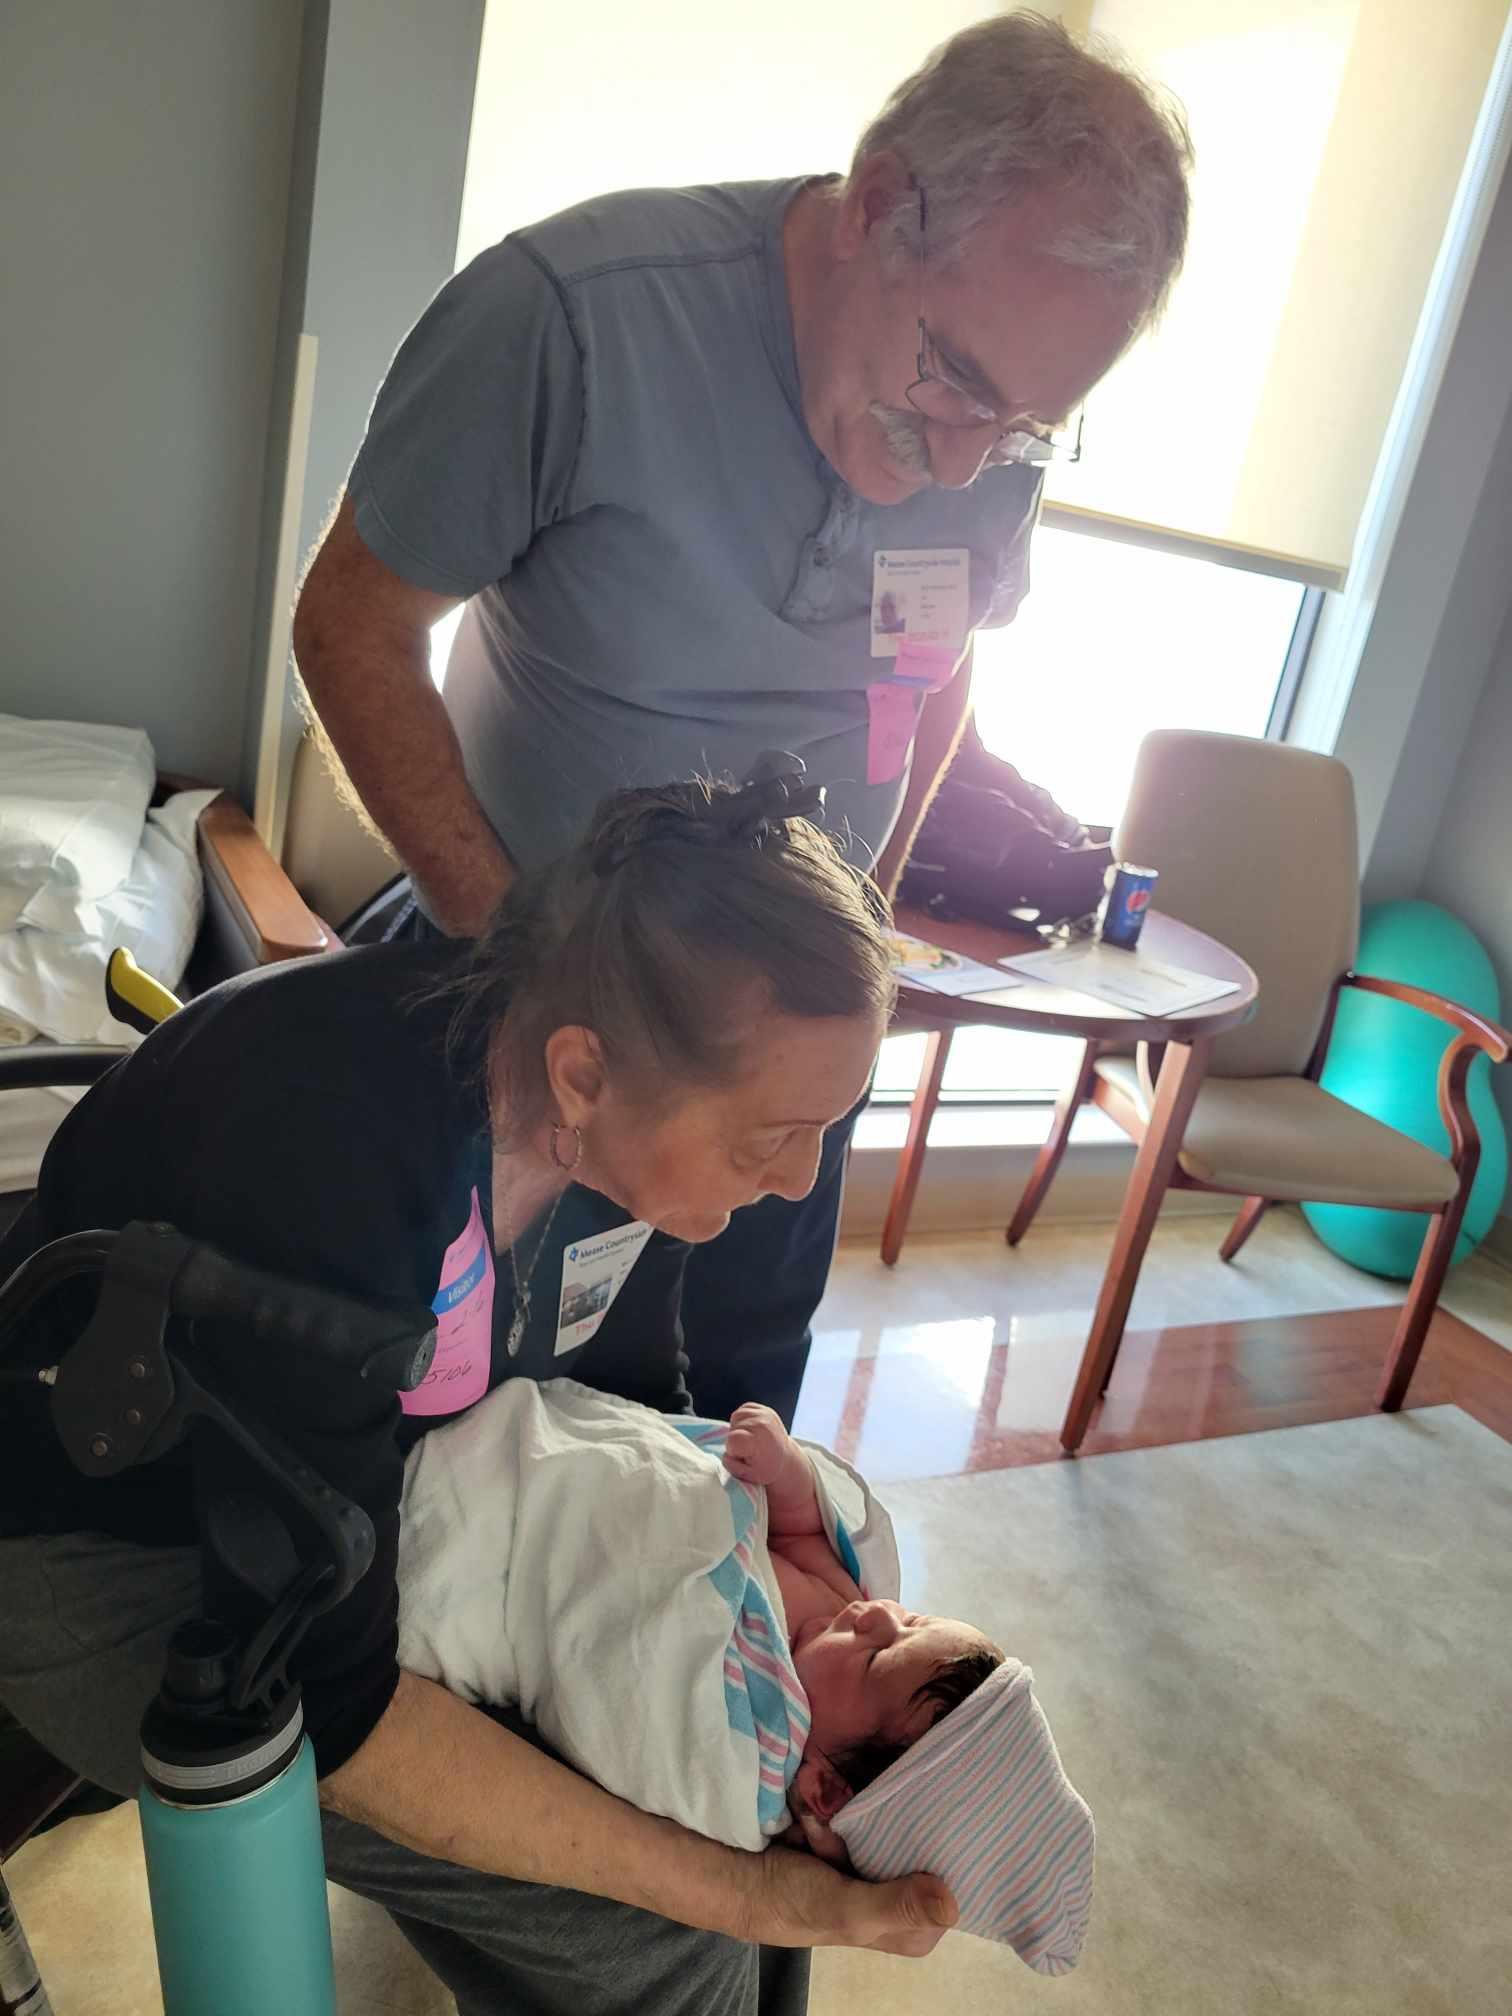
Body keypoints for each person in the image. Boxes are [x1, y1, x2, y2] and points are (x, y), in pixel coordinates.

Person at [291, 11, 1194, 1429]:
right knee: (423, 1429)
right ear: (879, 204)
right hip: (522, 1002)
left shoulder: (984, 432)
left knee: (722, 1440)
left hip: (786, 1057)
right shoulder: (573, 317)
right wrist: (519, 968)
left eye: (1022, 426)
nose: (965, 459)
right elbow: (353, 623)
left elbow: (935, 668)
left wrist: (867, 938)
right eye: (956, 382)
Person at [0, 773, 957, 2016]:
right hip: (110, 1546)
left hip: (381, 1520)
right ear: (580, 1073)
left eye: (832, 1127)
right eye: (768, 1135)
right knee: (671, 1941)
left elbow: (624, 1416)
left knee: (747, 1785)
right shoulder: (324, 1143)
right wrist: (742, 1891)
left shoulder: (615, 1133)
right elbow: (333, 1702)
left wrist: (766, 1564)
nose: (798, 1181)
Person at [397, 1378, 1095, 1973]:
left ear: (824, 1786)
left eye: (882, 1657)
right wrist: (787, 1471)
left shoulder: (750, 1751)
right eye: (914, 1620)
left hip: (543, 1550)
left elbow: (626, 1682)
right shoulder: (843, 1604)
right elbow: (798, 1529)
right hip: (585, 1453)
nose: (876, 1615)